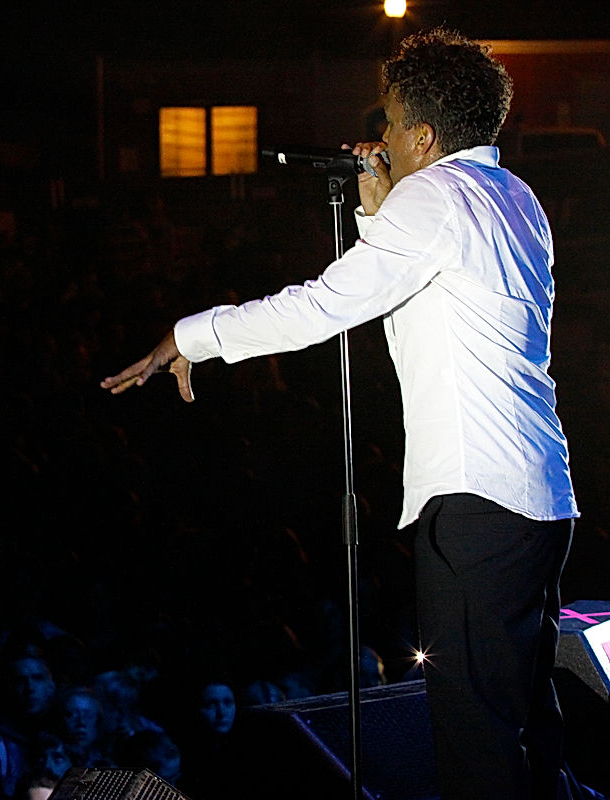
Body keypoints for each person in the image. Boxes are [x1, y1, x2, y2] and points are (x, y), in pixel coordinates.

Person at [100, 27, 578, 800]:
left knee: (476, 734)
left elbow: (324, 308)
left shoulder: (436, 198)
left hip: (478, 496)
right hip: (537, 499)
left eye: (390, 122)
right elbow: (410, 288)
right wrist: (378, 216)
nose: (378, 137)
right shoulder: (513, 197)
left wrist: (194, 336)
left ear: (423, 136)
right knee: (526, 720)